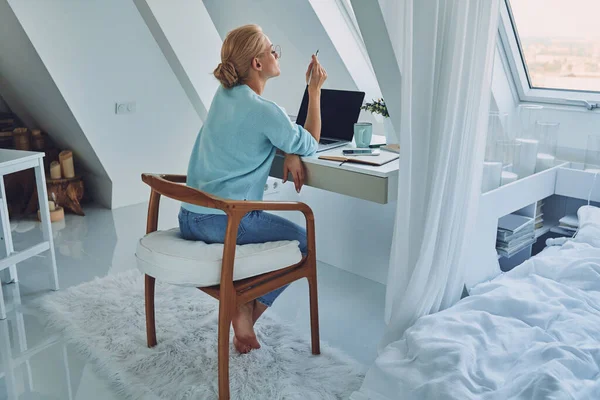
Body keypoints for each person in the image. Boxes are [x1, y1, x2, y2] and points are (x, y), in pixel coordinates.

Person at [178, 24, 327, 354]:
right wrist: (314, 92)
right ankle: (246, 310)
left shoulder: (225, 96)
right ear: (257, 64)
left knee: (269, 231)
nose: (277, 54)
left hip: (190, 216)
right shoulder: (265, 111)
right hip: (225, 221)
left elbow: (276, 135)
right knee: (303, 243)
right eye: (272, 49)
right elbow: (312, 144)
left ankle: (243, 307)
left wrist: (290, 148)